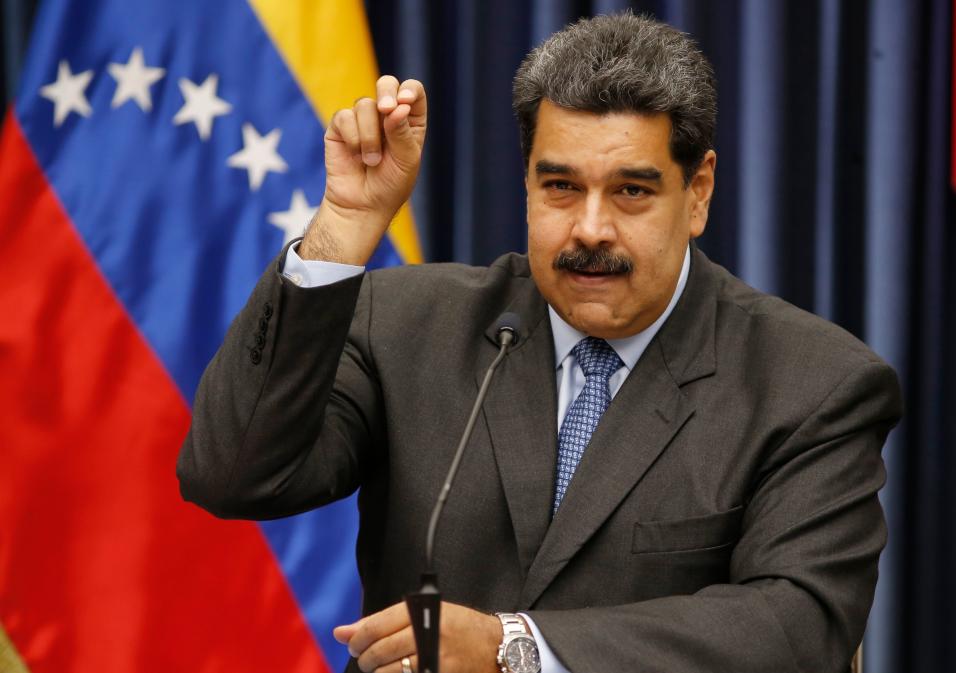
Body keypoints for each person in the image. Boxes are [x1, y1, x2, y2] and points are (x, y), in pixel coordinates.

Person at [177, 12, 902, 673]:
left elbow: (799, 626)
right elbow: (234, 473)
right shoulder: (405, 324)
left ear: (699, 191)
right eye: (559, 186)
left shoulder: (811, 383)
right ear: (525, 183)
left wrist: (514, 647)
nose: (589, 228)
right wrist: (343, 224)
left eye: (630, 192)